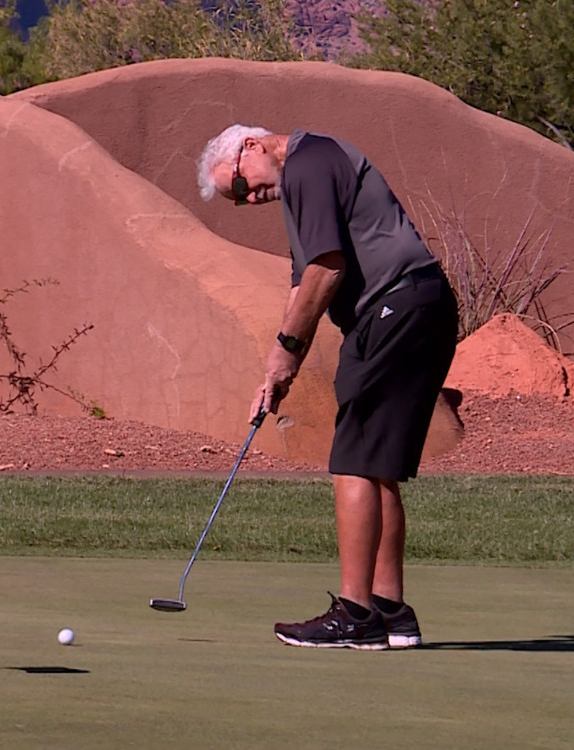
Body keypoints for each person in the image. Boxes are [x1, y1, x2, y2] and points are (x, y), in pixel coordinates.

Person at [196, 125, 459, 650]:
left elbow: (326, 267)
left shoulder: (308, 163)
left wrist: (285, 351)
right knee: (377, 463)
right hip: (419, 306)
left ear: (251, 147)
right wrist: (278, 372)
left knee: (354, 462)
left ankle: (356, 614)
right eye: (240, 201)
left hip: (394, 307)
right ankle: (390, 611)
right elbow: (303, 285)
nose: (250, 198)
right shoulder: (305, 181)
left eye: (242, 187)